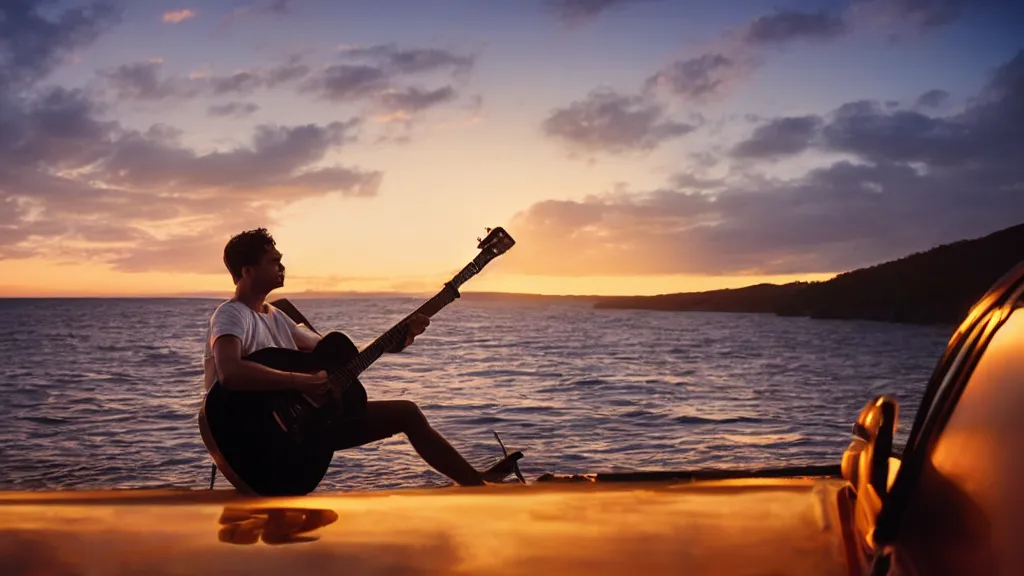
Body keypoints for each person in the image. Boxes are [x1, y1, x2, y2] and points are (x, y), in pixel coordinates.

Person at [201, 227, 522, 487]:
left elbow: (340, 357)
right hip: (252, 438)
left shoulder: (276, 317)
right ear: (247, 271)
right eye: (274, 262)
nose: (282, 267)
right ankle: (476, 484)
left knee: (407, 413)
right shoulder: (232, 315)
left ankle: (474, 483)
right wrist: (303, 381)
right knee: (400, 412)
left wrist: (399, 339)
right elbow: (230, 373)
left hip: (302, 428)